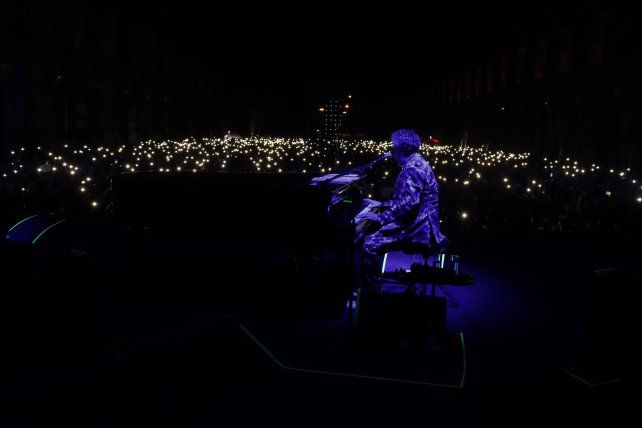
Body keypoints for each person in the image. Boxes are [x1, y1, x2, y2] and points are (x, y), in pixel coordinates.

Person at [356, 129, 448, 285]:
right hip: (418, 222)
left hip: (420, 229)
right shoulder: (416, 162)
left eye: (394, 146)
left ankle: (368, 289)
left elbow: (409, 203)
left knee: (369, 243)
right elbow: (407, 200)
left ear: (403, 148)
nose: (392, 150)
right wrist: (381, 204)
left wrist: (379, 217)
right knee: (374, 234)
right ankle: (374, 281)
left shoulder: (413, 168)